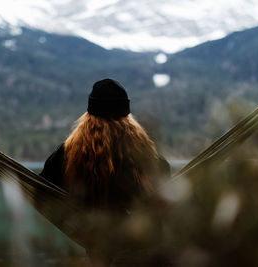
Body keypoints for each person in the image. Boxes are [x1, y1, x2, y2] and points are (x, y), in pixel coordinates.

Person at [40, 78, 171, 266]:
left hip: (97, 245)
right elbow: (165, 175)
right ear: (126, 115)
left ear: (90, 112)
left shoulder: (71, 152)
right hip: (140, 244)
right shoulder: (141, 150)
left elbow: (44, 186)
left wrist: (76, 220)